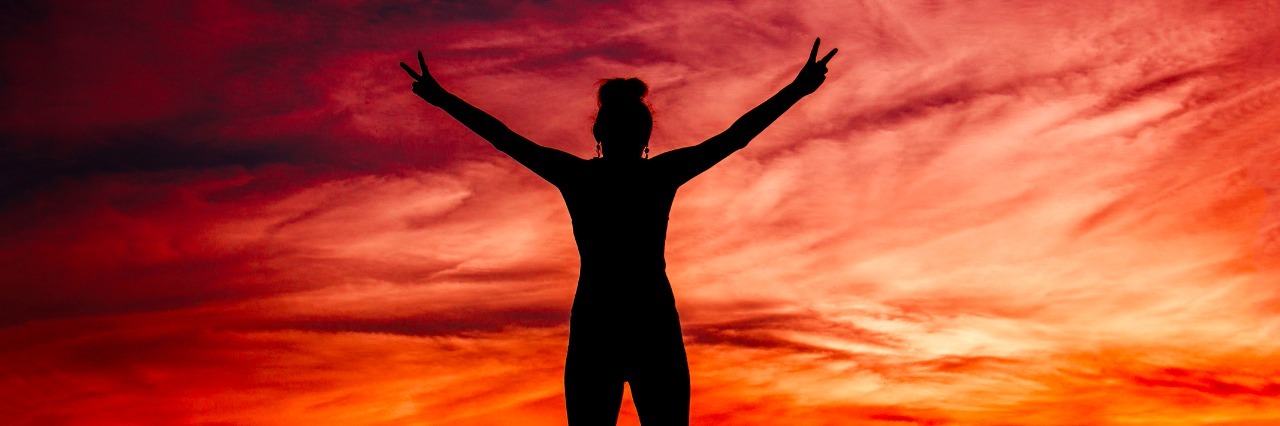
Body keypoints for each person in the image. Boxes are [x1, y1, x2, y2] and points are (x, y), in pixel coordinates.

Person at [400, 38, 837, 426]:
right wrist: (797, 89)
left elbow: (504, 137)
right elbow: (735, 136)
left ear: (598, 133)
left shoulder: (579, 177)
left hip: (598, 322)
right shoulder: (659, 174)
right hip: (650, 321)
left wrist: (443, 100)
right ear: (645, 135)